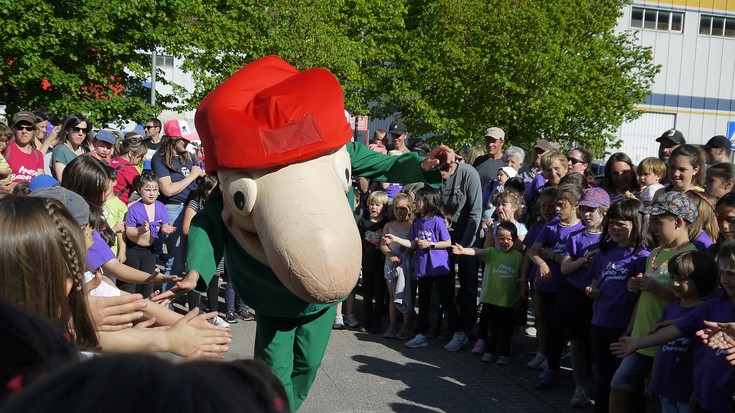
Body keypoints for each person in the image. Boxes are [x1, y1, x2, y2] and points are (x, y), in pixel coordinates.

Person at [159, 55, 453, 412]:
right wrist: (197, 270)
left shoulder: (334, 148)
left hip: (325, 290)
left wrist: (422, 166)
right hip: (273, 289)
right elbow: (210, 220)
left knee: (308, 366)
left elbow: (388, 163)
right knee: (271, 370)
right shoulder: (244, 166)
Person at [611, 246, 731, 413]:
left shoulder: (708, 307)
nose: (725, 279)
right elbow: (674, 331)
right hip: (687, 391)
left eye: (731, 273)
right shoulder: (711, 307)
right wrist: (637, 343)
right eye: (722, 272)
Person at [608, 191, 698, 413]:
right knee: (620, 385)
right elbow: (643, 297)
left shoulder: (691, 256)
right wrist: (630, 329)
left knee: (664, 398)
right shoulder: (655, 253)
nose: (653, 228)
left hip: (667, 340)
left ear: (678, 221)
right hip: (641, 336)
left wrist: (657, 289)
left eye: (658, 222)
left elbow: (693, 302)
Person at [584, 198, 650, 413]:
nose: (614, 228)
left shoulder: (643, 257)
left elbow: (642, 293)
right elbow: (595, 280)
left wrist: (636, 287)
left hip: (625, 327)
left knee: (627, 381)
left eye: (621, 224)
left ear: (637, 224)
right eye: (611, 222)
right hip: (599, 321)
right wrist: (592, 290)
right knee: (602, 375)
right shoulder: (605, 251)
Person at [384, 186, 465, 350]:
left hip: (440, 267)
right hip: (424, 267)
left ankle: (459, 333)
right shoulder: (417, 221)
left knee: (446, 300)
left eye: (419, 200)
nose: (416, 204)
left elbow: (447, 242)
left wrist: (431, 245)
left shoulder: (437, 220)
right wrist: (397, 239)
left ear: (429, 201)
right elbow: (413, 243)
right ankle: (422, 334)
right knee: (424, 301)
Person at [555, 187, 610, 407]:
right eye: (584, 209)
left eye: (592, 210)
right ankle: (580, 387)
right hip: (576, 295)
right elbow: (565, 268)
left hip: (599, 297)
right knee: (577, 341)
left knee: (598, 344)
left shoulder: (609, 238)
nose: (587, 214)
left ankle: (598, 386)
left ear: (604, 211)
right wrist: (583, 261)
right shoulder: (576, 236)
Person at [527, 184, 585, 390]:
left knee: (564, 330)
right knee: (548, 327)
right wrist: (542, 263)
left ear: (576, 205)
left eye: (561, 205)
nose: (557, 210)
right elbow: (533, 251)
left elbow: (576, 260)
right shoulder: (551, 226)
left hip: (567, 287)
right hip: (546, 285)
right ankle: (551, 369)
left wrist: (551, 255)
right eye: (555, 205)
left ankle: (579, 379)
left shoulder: (582, 230)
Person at [453, 221, 523, 365]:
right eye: (501, 238)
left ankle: (504, 353)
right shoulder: (492, 253)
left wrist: (519, 296)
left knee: (506, 330)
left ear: (514, 239)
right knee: (492, 329)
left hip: (508, 302)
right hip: (491, 300)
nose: (505, 242)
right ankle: (489, 351)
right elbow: (478, 251)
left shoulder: (518, 257)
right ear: (496, 238)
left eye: (509, 239)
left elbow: (521, 279)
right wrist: (463, 250)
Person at [151, 119, 205, 295]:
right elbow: (167, 190)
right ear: (173, 139)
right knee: (176, 260)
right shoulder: (159, 158)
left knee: (193, 258)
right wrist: (192, 176)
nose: (188, 142)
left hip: (193, 207)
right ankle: (166, 304)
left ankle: (188, 302)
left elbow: (199, 176)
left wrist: (201, 176)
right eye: (184, 139)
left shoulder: (189, 156)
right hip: (173, 209)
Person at [439, 156, 483, 341]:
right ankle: (451, 325)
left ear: (451, 165)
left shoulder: (468, 173)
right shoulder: (435, 176)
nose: (442, 178)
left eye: (443, 173)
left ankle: (468, 326)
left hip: (467, 233)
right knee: (444, 283)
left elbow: (476, 212)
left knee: (468, 284)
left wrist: (463, 246)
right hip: (445, 235)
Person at [123, 171, 176, 297]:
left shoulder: (161, 206)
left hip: (150, 250)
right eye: (148, 189)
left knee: (149, 280)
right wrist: (141, 230)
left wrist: (165, 228)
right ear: (140, 190)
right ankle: (130, 308)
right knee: (131, 281)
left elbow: (164, 222)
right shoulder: (134, 209)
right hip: (133, 249)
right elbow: (129, 232)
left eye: (155, 189)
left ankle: (147, 305)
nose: (152, 193)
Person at [522, 187, 557, 371]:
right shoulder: (536, 227)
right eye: (544, 205)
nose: (547, 210)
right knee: (540, 318)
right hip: (537, 281)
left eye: (551, 206)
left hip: (555, 280)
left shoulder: (559, 227)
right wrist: (522, 280)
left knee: (554, 321)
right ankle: (542, 352)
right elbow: (528, 254)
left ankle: (552, 355)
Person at [380, 192, 415, 340]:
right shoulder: (388, 225)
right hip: (391, 263)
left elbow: (413, 246)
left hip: (407, 264)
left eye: (403, 208)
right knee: (393, 295)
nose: (399, 212)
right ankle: (393, 324)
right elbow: (383, 244)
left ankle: (407, 326)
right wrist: (390, 255)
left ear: (409, 209)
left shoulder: (412, 226)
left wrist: (404, 254)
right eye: (396, 208)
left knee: (407, 294)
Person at [358, 191, 390, 333]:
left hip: (381, 263)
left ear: (384, 206)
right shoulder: (363, 222)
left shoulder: (386, 223)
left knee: (379, 293)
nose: (374, 207)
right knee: (367, 293)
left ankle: (377, 322)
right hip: (367, 262)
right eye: (371, 204)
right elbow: (358, 242)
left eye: (377, 204)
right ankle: (367, 321)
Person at [3, 111, 45, 187]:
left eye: (29, 128)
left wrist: (21, 186)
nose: (24, 131)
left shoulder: (38, 155)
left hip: (30, 197)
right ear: (14, 130)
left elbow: (41, 184)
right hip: (8, 197)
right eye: (20, 128)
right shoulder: (5, 148)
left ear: (33, 130)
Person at [50, 114, 90, 181]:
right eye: (76, 129)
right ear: (66, 130)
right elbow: (62, 180)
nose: (81, 133)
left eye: (84, 130)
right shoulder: (60, 150)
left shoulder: (86, 151)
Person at [110, 136, 147, 204]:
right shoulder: (130, 170)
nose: (142, 159)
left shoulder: (111, 161)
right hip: (119, 206)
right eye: (140, 156)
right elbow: (144, 190)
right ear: (130, 154)